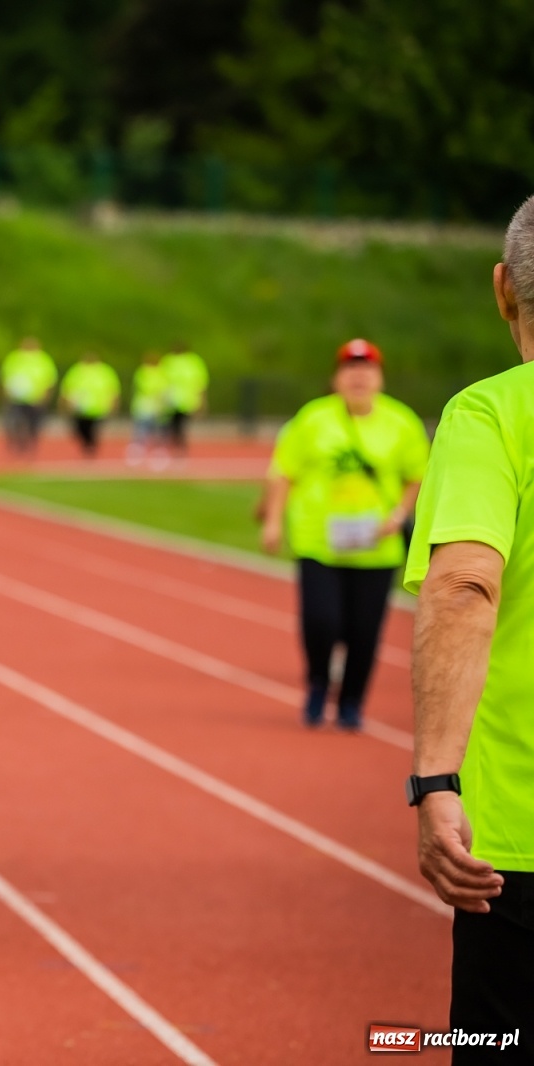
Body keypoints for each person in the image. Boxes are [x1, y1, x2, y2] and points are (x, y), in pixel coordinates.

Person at [406, 194, 534, 1058]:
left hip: (519, 829)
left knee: (500, 1044)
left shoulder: (492, 414)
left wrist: (433, 780)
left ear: (502, 290)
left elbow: (463, 588)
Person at [260, 339, 428, 730]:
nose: (359, 377)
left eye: (367, 370)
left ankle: (352, 701)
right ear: (336, 378)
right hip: (319, 541)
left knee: (363, 631)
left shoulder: (401, 423)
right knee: (321, 622)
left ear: (380, 378)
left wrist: (399, 513)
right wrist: (272, 521)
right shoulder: (313, 419)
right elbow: (285, 471)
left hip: (375, 545)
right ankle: (319, 680)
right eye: (350, 370)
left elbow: (417, 475)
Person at [0, 336, 57, 455]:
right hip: (16, 399)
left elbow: (50, 380)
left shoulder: (44, 360)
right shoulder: (14, 358)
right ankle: (19, 443)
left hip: (36, 399)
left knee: (34, 425)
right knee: (14, 423)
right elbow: (4, 378)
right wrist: (5, 395)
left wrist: (45, 397)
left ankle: (30, 444)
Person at [58, 352, 120, 457]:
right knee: (79, 428)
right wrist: (65, 402)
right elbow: (67, 387)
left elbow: (113, 390)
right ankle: (87, 444)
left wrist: (113, 404)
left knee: (94, 430)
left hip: (98, 408)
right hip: (80, 408)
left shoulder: (105, 371)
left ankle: (91, 446)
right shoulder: (77, 370)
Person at [159, 344, 208, 456]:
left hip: (180, 401)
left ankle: (177, 447)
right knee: (176, 425)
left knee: (176, 425)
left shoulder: (170, 361)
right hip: (180, 401)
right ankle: (176, 447)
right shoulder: (193, 362)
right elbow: (200, 383)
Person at [124, 351, 170, 468]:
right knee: (141, 432)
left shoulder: (159, 373)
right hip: (145, 406)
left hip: (154, 406)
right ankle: (138, 454)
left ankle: (157, 456)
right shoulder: (145, 372)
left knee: (156, 433)